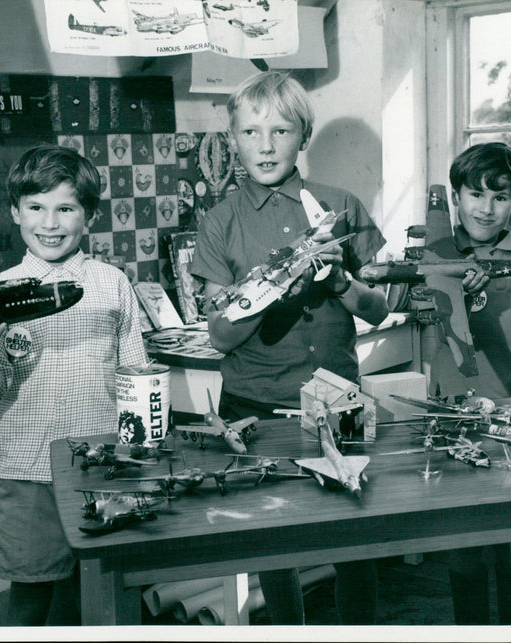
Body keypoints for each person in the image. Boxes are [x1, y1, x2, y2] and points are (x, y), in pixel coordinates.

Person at [191, 71, 389, 625]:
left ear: (303, 135)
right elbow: (219, 334)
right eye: (250, 133)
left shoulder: (340, 207)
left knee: (355, 537)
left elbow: (381, 308)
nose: (265, 145)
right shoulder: (219, 222)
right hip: (254, 404)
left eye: (280, 131)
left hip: (338, 400)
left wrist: (340, 284)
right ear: (232, 140)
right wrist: (268, 285)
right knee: (274, 544)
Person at [0, 144, 147, 626]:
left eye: (65, 208)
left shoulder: (113, 284)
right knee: (30, 601)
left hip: (101, 466)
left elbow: (137, 376)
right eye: (36, 207)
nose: (50, 223)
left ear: (89, 216)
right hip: (26, 469)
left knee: (103, 594)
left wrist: (140, 451)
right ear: (15, 211)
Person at [427, 142, 511, 625]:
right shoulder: (434, 256)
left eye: (500, 198)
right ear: (456, 197)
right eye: (475, 194)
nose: (486, 208)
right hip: (455, 413)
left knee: (510, 536)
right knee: (463, 543)